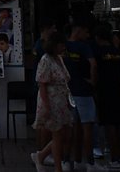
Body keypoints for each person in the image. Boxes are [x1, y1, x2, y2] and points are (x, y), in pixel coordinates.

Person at [30, 33, 75, 172]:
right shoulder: (46, 60)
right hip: (51, 100)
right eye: (61, 44)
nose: (63, 47)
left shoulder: (59, 59)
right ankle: (57, 167)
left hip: (62, 100)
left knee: (65, 134)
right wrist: (47, 105)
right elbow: (42, 84)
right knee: (57, 134)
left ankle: (42, 155)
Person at [64, 20, 98, 171]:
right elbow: (94, 64)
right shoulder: (84, 47)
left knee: (71, 128)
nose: (88, 35)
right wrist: (92, 81)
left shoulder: (63, 46)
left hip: (68, 92)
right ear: (78, 31)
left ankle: (69, 160)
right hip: (84, 91)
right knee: (87, 128)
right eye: (86, 32)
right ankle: (89, 162)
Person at [94, 24, 120, 171]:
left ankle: (114, 159)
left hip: (104, 92)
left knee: (109, 126)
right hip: (119, 91)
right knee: (118, 125)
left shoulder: (98, 53)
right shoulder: (118, 52)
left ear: (98, 37)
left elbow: (94, 72)